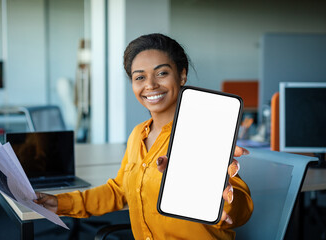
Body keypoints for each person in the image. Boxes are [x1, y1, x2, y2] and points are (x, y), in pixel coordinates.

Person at [35, 33, 253, 239]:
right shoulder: (138, 133)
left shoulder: (203, 132)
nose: (150, 85)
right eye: (140, 77)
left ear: (182, 75)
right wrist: (59, 203)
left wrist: (215, 189)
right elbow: (118, 190)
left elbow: (241, 212)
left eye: (162, 73)